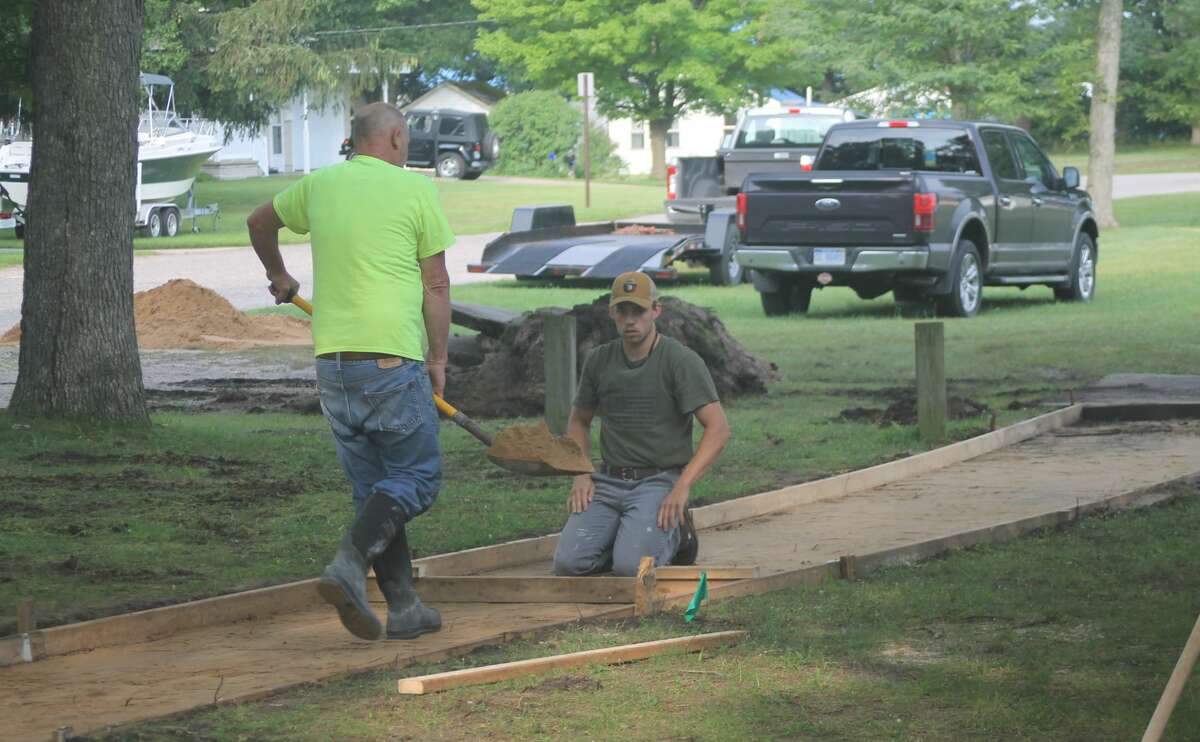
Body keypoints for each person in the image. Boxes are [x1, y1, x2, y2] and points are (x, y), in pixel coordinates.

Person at [246, 102, 454, 642]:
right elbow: (435, 285)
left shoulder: (319, 185)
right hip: (390, 358)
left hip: (334, 365)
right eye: (404, 139)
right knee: (417, 478)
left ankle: (405, 607)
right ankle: (348, 564)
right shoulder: (416, 191)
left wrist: (279, 274)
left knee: (376, 490)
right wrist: (438, 360)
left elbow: (258, 221)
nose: (405, 147)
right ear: (393, 138)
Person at [553, 272, 730, 577]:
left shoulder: (679, 360)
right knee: (569, 564)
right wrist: (581, 473)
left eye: (639, 311)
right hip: (607, 481)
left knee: (631, 570)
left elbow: (718, 429)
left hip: (658, 481)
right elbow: (579, 420)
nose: (630, 320)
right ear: (612, 313)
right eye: (623, 311)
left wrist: (682, 486)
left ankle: (679, 535)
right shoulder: (599, 360)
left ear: (656, 310)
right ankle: (627, 537)